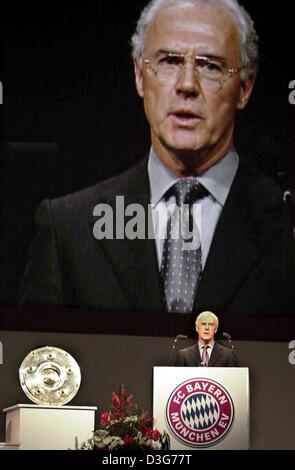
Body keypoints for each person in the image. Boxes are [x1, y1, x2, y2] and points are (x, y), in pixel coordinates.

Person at [19, 0, 295, 315]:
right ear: (140, 76)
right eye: (169, 61)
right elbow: (36, 357)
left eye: (210, 66)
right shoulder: (69, 228)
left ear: (244, 88)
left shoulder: (287, 224)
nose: (187, 85)